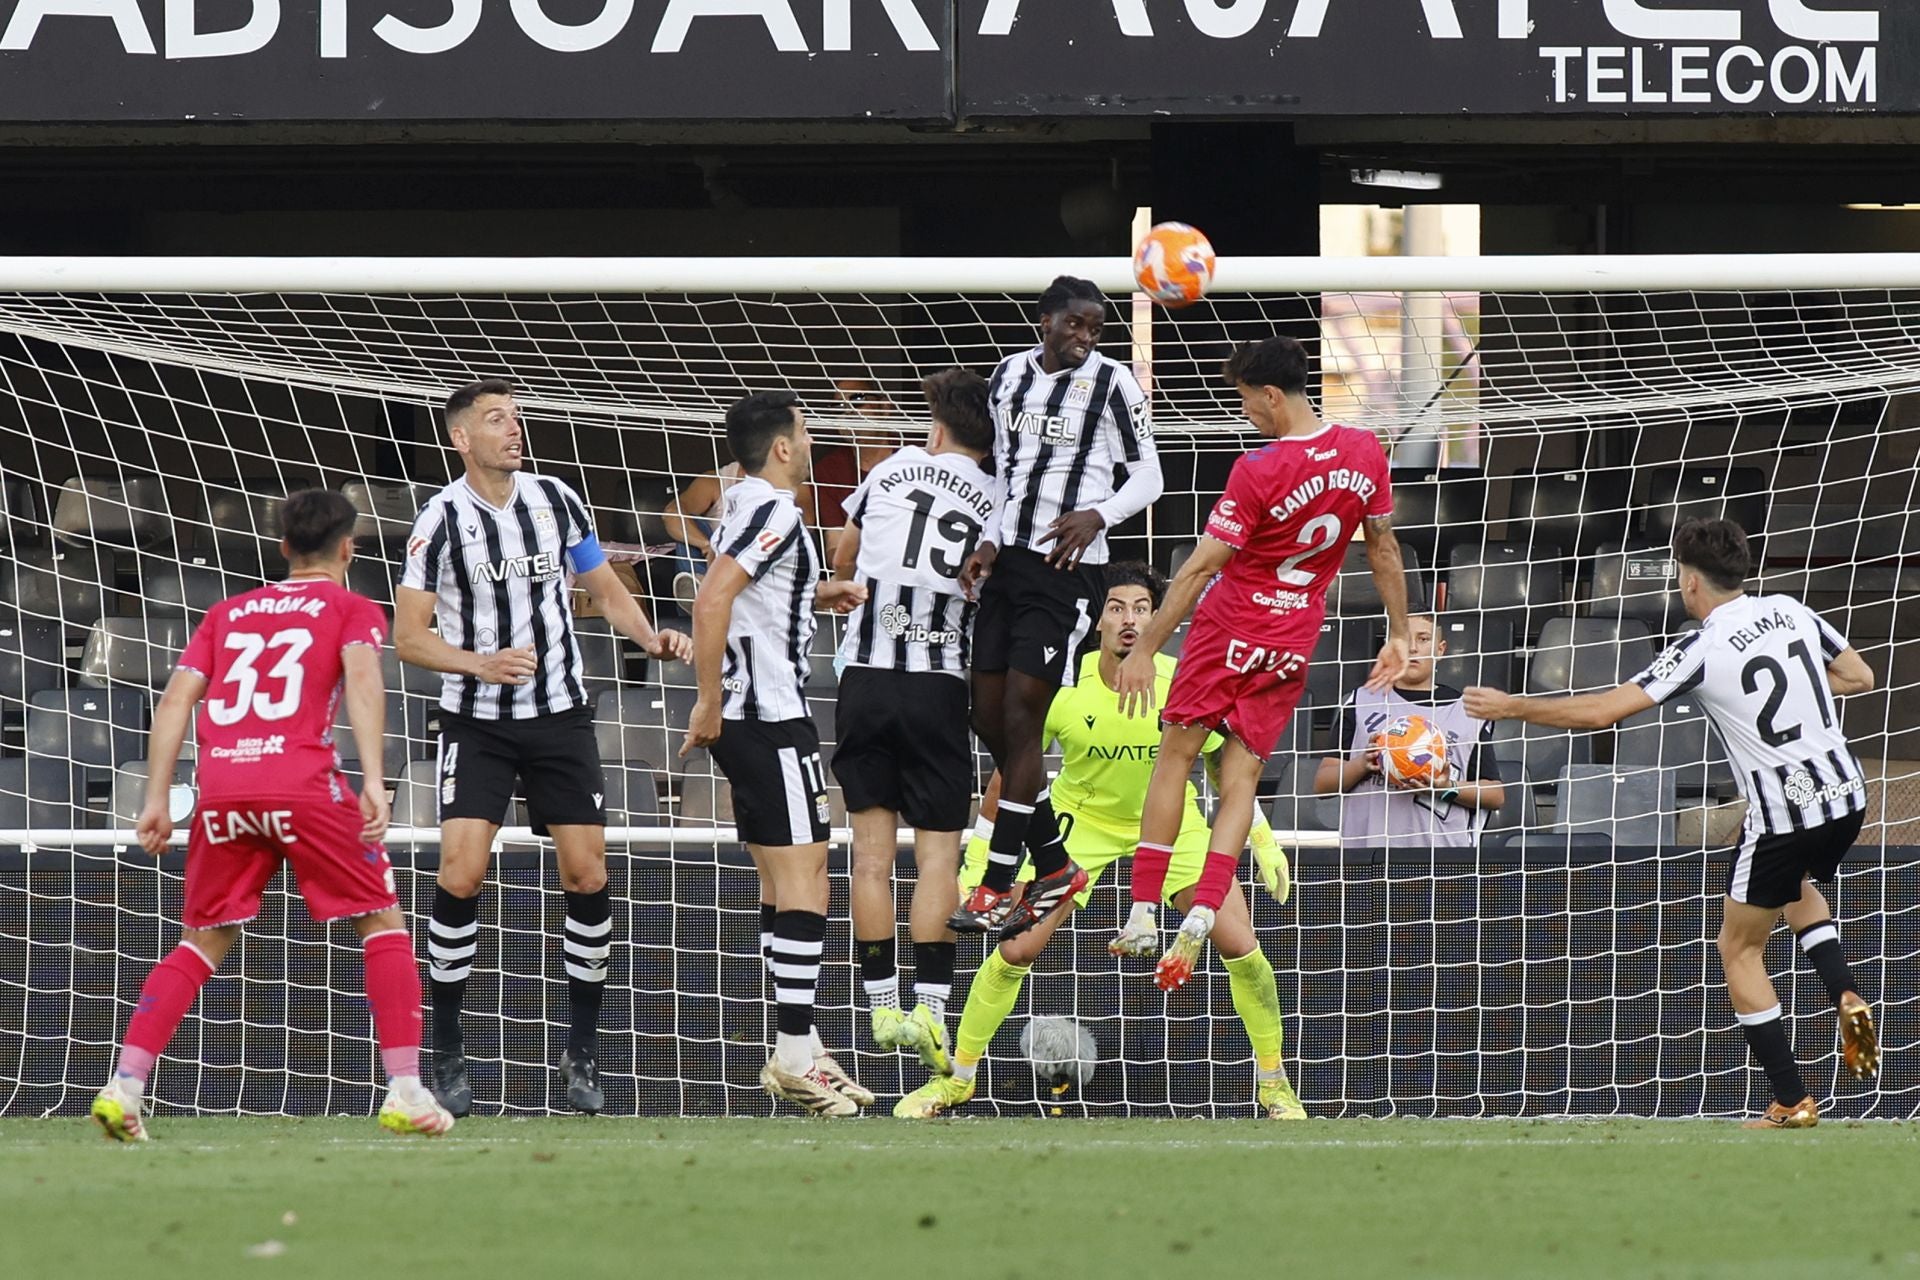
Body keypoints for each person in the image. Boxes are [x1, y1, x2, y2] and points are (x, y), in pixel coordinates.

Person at [1463, 517, 1880, 1128]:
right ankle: (1844, 988)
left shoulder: (1699, 647)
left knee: (1739, 947)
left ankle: (1791, 1101)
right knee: (1793, 884)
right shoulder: (1792, 609)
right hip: (1846, 792)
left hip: (1784, 807)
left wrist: (1511, 704)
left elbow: (1603, 712)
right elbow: (1861, 677)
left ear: (1688, 582)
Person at [92, 490, 452, 1141]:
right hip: (303, 785)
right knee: (381, 918)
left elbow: (175, 702)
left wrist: (155, 796)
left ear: (284, 547)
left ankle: (125, 1087)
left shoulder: (227, 612)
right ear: (349, 547)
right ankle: (406, 1089)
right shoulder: (351, 607)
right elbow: (365, 683)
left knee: (202, 939)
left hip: (223, 789)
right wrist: (373, 779)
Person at [899, 565, 1303, 1119]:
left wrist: (1259, 835)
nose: (1130, 619)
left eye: (1142, 607)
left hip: (1175, 824)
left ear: (1159, 618)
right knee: (1017, 948)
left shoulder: (1183, 677)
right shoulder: (1064, 683)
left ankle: (1274, 1083)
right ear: (1097, 622)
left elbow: (1222, 765)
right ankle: (958, 1079)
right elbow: (1012, 772)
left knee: (1241, 946)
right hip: (1079, 821)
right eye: (1117, 607)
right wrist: (980, 853)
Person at [396, 378, 692, 1118]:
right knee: (461, 873)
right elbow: (407, 637)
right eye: (495, 420)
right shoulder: (438, 523)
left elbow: (605, 586)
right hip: (478, 719)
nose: (512, 429)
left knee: (587, 875)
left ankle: (582, 1053)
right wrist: (479, 664)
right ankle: (450, 1049)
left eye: (516, 418)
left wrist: (649, 637)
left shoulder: (557, 499)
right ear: (461, 438)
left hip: (560, 716)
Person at [1115, 336, 1410, 991]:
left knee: (1178, 757)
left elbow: (1197, 572)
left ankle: (1142, 911)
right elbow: (1383, 550)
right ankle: (1202, 913)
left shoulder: (1258, 468)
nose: (1245, 411)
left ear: (1272, 395)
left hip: (1230, 628)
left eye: (1247, 400)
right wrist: (1397, 632)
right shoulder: (1365, 452)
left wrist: (1145, 647)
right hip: (1293, 637)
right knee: (1242, 779)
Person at [953, 275, 1165, 938]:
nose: (1085, 336)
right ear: (1044, 319)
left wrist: (1097, 514)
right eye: (1075, 324)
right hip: (1009, 564)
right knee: (988, 719)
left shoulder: (1113, 384)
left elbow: (1151, 475)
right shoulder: (1008, 375)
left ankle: (995, 883)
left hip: (1068, 572)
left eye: (1096, 328)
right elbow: (1003, 472)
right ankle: (1054, 864)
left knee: (1022, 714)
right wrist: (987, 539)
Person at [680, 389, 871, 1116]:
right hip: (765, 713)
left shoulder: (740, 502)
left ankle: (804, 1044)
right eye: (807, 429)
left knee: (782, 877)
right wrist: (706, 701)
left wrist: (818, 595)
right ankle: (794, 1054)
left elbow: (752, 596)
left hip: (754, 712)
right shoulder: (776, 509)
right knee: (807, 875)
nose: (812, 439)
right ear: (784, 447)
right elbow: (712, 600)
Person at [828, 369, 995, 1076]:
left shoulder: (891, 468)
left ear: (936, 427)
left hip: (865, 679)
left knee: (870, 856)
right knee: (936, 859)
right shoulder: (998, 498)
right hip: (936, 686)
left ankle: (880, 1006)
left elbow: (842, 556)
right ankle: (930, 1006)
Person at [1315, 613, 1504, 846]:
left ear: (1441, 649)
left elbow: (1495, 795)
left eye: (1423, 639)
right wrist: (1361, 764)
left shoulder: (1468, 712)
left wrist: (1447, 787)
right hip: (1366, 854)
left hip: (1440, 859)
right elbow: (1322, 785)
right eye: (1404, 639)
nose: (1413, 648)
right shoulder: (1359, 702)